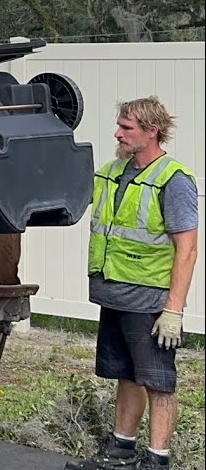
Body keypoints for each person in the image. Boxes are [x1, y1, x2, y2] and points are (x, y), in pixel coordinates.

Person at [67, 97, 199, 470]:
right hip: (115, 295)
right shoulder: (113, 171)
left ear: (151, 132)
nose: (118, 133)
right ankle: (121, 452)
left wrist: (173, 309)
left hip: (149, 302)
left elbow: (187, 250)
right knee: (126, 376)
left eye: (126, 128)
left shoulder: (173, 180)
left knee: (159, 383)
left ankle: (157, 461)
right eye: (120, 126)